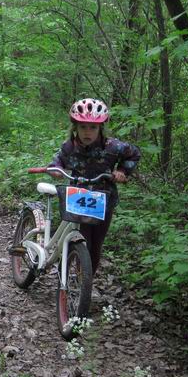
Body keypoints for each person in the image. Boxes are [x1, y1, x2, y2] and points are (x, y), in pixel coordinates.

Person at [48, 98, 140, 276]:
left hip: (103, 200)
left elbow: (134, 154)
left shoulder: (113, 147)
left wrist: (122, 171)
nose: (87, 132)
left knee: (96, 244)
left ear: (101, 128)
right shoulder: (69, 147)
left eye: (92, 127)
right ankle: (66, 275)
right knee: (82, 239)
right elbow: (57, 160)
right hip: (77, 197)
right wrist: (57, 169)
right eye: (82, 127)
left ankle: (85, 281)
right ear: (75, 128)